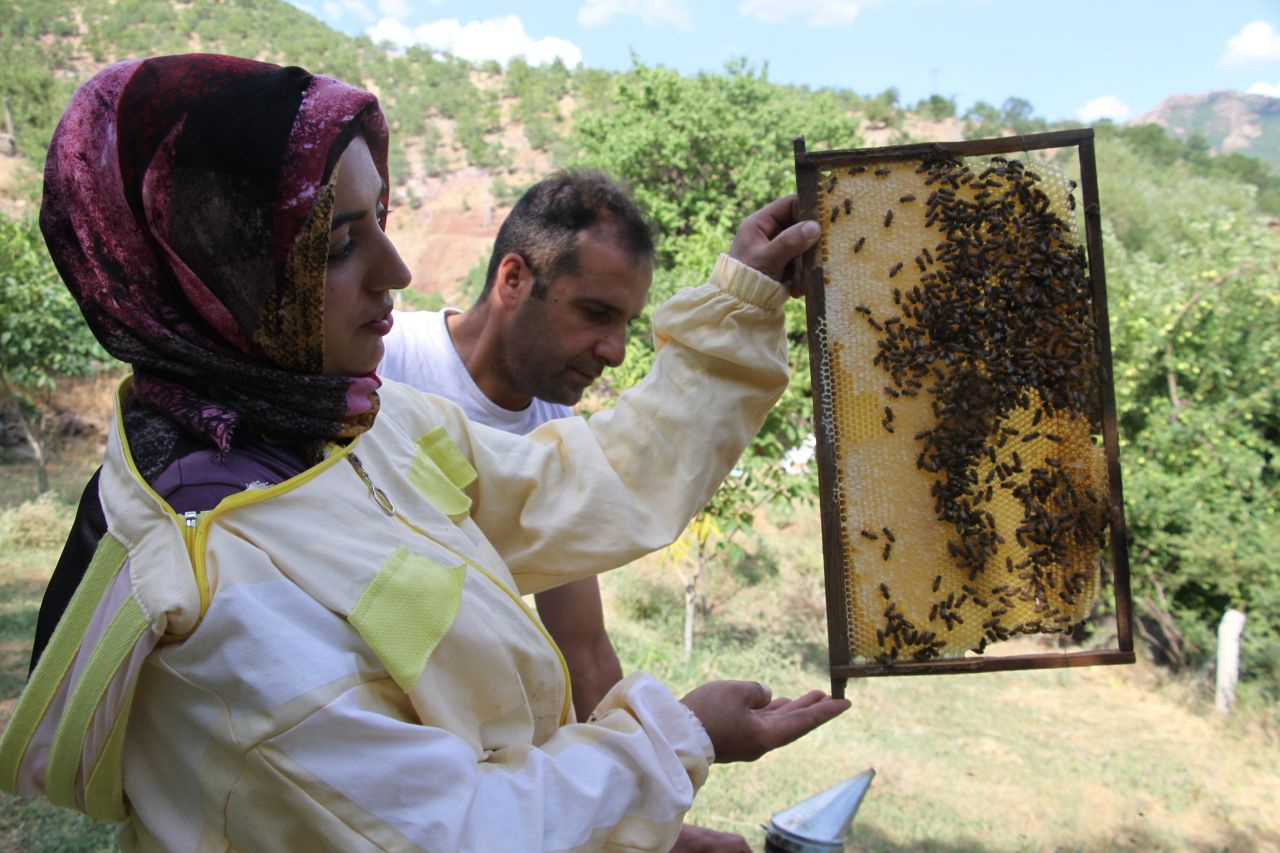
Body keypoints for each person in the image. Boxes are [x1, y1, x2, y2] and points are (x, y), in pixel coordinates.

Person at [0, 55, 846, 852]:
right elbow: (455, 829)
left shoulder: (357, 426)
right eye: (336, 244)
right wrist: (675, 736)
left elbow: (575, 485)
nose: (397, 270)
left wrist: (739, 301)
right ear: (217, 274)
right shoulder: (214, 590)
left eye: (383, 222)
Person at [380, 171, 753, 852]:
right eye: (595, 314)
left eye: (626, 324)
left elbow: (582, 645)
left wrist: (649, 818)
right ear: (513, 280)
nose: (613, 352)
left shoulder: (553, 426)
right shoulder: (381, 364)